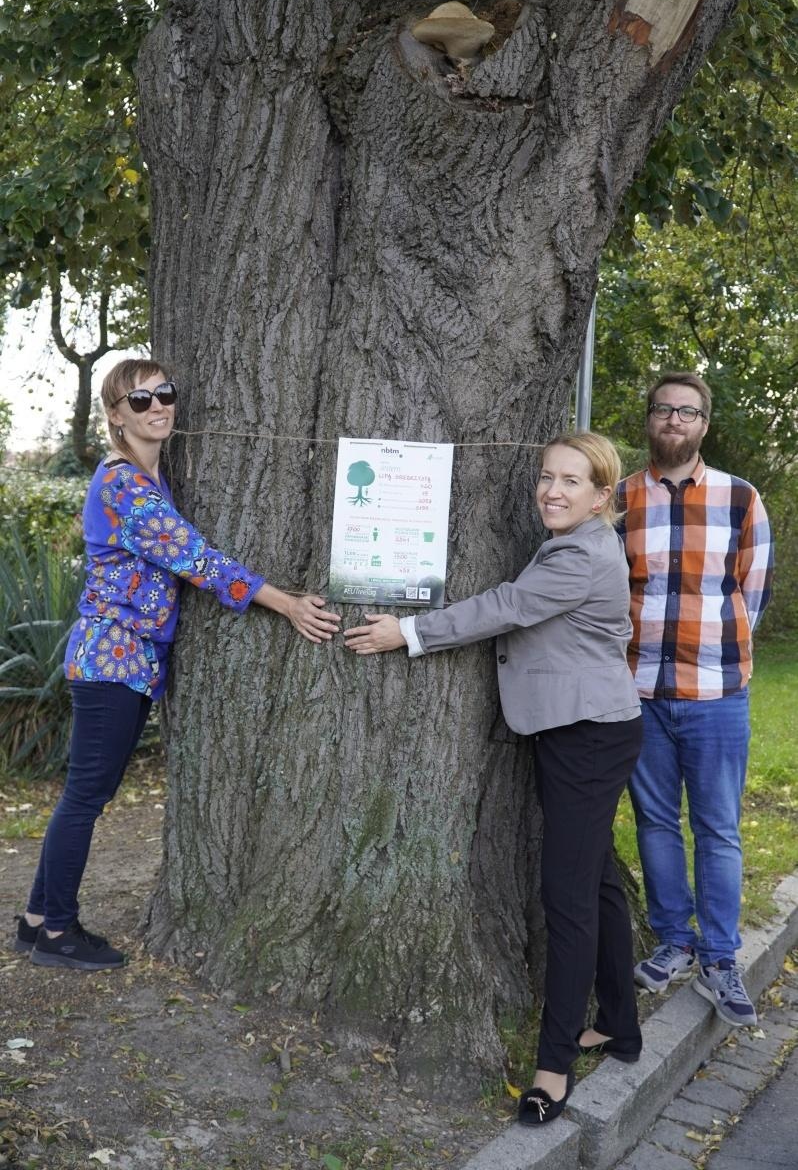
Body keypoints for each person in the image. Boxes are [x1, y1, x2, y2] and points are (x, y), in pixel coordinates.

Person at [344, 432, 643, 1126]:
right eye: (546, 477)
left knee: (567, 898)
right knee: (595, 881)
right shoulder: (580, 543)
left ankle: (554, 1066)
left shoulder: (580, 552)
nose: (553, 491)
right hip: (584, 730)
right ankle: (620, 1025)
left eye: (573, 481)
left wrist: (409, 633)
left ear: (603, 496)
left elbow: (506, 606)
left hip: (587, 737)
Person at [13, 358, 340, 972]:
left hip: (131, 660)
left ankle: (36, 920)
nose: (158, 406)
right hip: (113, 658)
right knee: (85, 797)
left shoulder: (148, 479)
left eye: (164, 394)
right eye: (140, 401)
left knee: (87, 794)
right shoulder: (123, 486)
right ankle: (56, 930)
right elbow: (197, 559)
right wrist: (286, 604)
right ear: (115, 416)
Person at [617, 372, 773, 1026]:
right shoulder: (618, 497)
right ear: (649, 420)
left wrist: (718, 657)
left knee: (716, 827)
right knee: (655, 823)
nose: (674, 420)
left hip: (715, 695)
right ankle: (675, 941)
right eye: (663, 409)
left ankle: (718, 955)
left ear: (705, 424)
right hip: (638, 692)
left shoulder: (741, 499)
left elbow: (751, 594)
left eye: (687, 411)